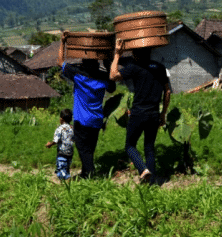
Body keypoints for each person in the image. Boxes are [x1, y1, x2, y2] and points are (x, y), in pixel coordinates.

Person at [110, 39, 172, 184]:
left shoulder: (134, 67)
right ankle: (152, 183)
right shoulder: (160, 68)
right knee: (149, 147)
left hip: (138, 113)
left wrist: (117, 54)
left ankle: (143, 169)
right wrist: (163, 114)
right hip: (154, 114)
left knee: (130, 145)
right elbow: (167, 92)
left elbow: (113, 76)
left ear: (135, 54)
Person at [58, 36, 116, 179]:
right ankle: (84, 174)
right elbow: (113, 87)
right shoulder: (103, 77)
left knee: (84, 151)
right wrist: (108, 64)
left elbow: (60, 62)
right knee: (90, 149)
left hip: (82, 120)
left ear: (83, 63)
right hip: (96, 120)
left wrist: (62, 42)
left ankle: (90, 175)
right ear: (97, 64)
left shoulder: (78, 75)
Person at [46, 108, 74, 181]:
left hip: (62, 152)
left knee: (61, 168)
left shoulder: (60, 129)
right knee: (67, 167)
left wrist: (50, 144)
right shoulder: (72, 128)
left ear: (61, 119)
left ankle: (67, 179)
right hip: (70, 152)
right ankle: (66, 180)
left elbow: (56, 140)